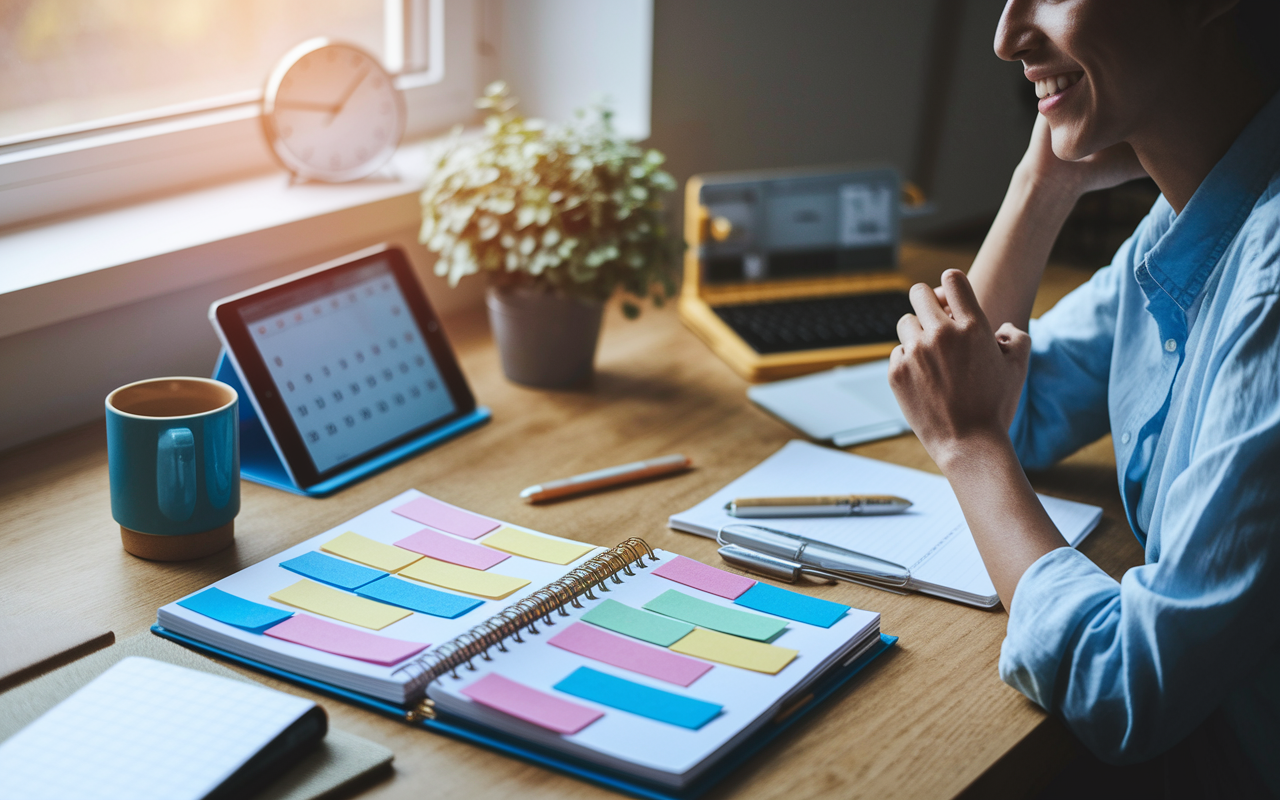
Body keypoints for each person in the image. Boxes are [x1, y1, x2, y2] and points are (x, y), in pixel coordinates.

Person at [887, 0, 1280, 794]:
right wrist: (1040, 187)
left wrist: (969, 448)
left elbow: (1131, 686)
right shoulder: (1192, 222)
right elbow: (1008, 404)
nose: (1005, 38)